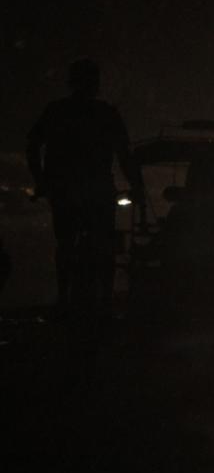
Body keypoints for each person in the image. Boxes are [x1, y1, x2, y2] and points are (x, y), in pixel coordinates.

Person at [27, 58, 144, 317]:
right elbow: (125, 155)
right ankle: (102, 300)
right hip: (95, 189)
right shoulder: (107, 114)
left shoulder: (57, 111)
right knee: (102, 245)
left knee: (67, 244)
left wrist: (42, 181)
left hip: (65, 189)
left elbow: (33, 145)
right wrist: (138, 187)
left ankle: (64, 297)